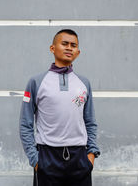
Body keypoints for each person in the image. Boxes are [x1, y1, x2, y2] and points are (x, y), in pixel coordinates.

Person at [19, 29, 100, 186]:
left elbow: (90, 121)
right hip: (47, 157)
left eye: (73, 45)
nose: (69, 48)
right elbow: (25, 124)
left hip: (79, 158)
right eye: (64, 44)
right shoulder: (36, 82)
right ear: (52, 48)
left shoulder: (84, 83)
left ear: (78, 52)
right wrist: (35, 160)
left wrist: (91, 155)